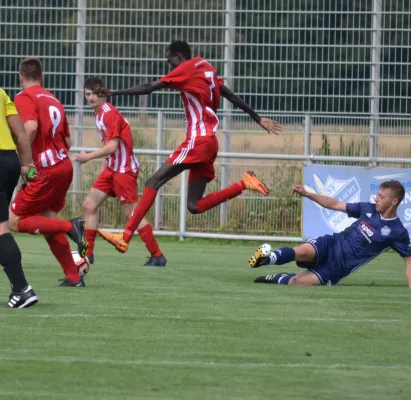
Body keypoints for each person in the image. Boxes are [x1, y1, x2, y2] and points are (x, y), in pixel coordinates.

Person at [97, 40, 282, 254]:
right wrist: (257, 117)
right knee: (194, 206)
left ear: (178, 57)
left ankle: (125, 236)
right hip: (210, 142)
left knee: (152, 182)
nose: (170, 69)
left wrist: (114, 93)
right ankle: (243, 184)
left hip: (198, 141)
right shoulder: (207, 67)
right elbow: (230, 95)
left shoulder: (186, 69)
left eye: (170, 63)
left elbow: (149, 88)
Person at [249, 180, 411, 288]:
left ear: (394, 201)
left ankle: (277, 277)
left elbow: (409, 260)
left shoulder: (398, 231)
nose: (376, 199)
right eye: (377, 195)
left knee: (297, 283)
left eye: (381, 197)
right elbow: (335, 204)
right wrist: (308, 194)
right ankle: (266, 259)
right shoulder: (367, 208)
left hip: (337, 268)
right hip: (331, 244)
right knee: (302, 252)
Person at [9, 58, 88, 287]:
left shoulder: (24, 97)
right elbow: (68, 141)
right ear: (42, 77)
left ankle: (70, 226)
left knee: (13, 221)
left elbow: (30, 127)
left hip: (45, 171)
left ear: (20, 77)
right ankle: (74, 276)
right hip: (64, 168)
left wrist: (25, 161)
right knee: (46, 224)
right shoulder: (54, 99)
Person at [76, 77, 166, 267]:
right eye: (87, 94)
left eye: (94, 93)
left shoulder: (109, 114)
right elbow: (109, 148)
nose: (91, 97)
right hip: (111, 169)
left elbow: (112, 146)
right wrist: (104, 168)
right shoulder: (99, 113)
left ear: (103, 94)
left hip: (123, 171)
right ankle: (88, 254)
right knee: (89, 204)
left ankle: (157, 255)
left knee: (133, 214)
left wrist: (88, 157)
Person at [0, 87, 38, 307]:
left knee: (1, 231)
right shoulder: (2, 93)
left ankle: (22, 289)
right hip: (9, 162)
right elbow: (20, 132)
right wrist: (29, 168)